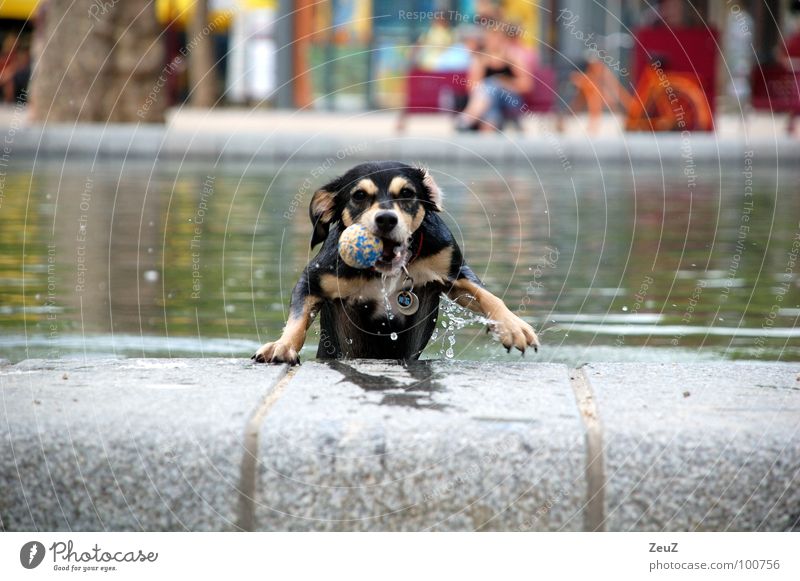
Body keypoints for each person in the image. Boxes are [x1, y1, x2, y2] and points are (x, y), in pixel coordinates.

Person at [456, 24, 532, 132]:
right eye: (491, 38)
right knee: (491, 104)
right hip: (488, 102)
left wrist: (503, 83)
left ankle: (467, 119)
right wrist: (485, 70)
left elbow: (527, 85)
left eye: (497, 37)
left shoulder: (513, 57)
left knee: (492, 85)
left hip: (510, 100)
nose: (494, 41)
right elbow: (472, 87)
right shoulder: (480, 58)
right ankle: (487, 135)